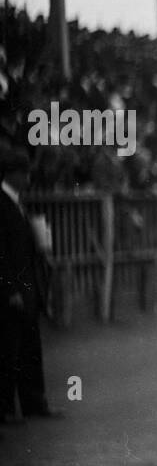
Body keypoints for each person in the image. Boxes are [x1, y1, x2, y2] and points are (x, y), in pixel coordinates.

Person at [0, 147, 62, 424]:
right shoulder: (3, 204)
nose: (28, 178)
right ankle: (6, 408)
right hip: (13, 288)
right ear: (11, 174)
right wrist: (10, 290)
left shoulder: (17, 203)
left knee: (29, 347)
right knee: (9, 349)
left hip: (27, 285)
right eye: (24, 173)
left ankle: (33, 403)